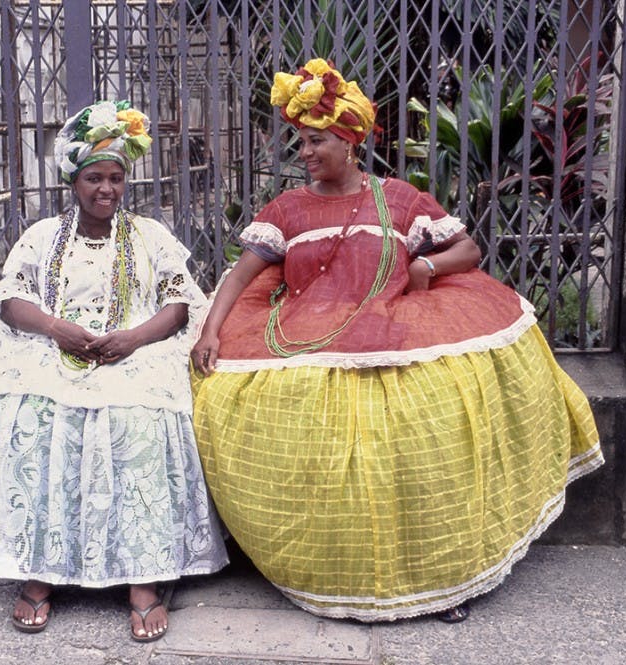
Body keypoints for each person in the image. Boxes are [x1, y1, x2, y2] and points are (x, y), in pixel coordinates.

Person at [190, 59, 602, 623]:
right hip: (307, 341)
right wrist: (211, 331)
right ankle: (331, 575)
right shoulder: (286, 210)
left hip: (395, 334)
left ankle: (445, 580)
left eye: (316, 142)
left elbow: (468, 251)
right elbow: (240, 276)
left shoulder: (401, 199)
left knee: (421, 447)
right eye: (301, 143)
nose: (305, 153)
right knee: (320, 463)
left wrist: (427, 268)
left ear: (348, 141)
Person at [0, 100, 228, 639]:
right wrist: (57, 329)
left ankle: (143, 580)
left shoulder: (151, 236)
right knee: (30, 420)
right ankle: (38, 574)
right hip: (54, 350)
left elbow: (178, 305)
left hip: (135, 349)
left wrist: (132, 338)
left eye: (115, 177)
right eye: (94, 177)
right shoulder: (43, 236)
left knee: (139, 421)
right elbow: (11, 301)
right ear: (73, 181)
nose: (105, 188)